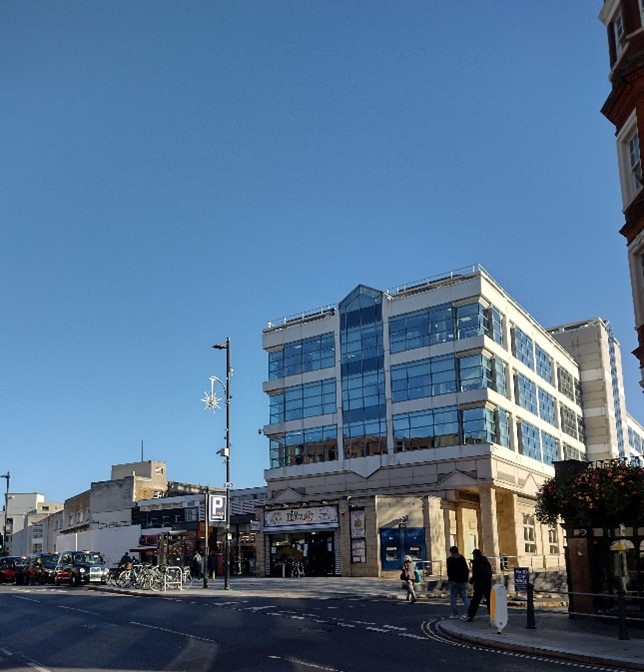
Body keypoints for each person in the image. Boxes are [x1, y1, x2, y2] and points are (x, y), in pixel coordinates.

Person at [466, 548, 492, 621]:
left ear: (475, 555)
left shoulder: (476, 562)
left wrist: (471, 581)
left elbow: (476, 574)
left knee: (475, 601)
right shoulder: (486, 561)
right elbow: (490, 572)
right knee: (489, 601)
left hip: (479, 584)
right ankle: (492, 616)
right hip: (487, 583)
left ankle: (471, 616)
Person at [446, 545, 470, 618]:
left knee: (453, 598)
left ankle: (455, 614)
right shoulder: (462, 558)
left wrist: (449, 579)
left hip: (453, 581)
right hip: (462, 580)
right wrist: (466, 579)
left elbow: (449, 571)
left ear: (451, 552)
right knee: (464, 596)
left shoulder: (449, 559)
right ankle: (470, 613)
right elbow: (466, 569)